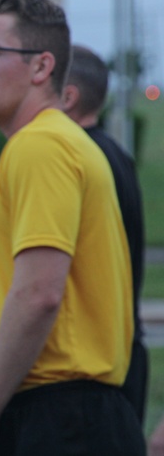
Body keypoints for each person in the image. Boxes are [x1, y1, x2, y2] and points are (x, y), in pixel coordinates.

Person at [0, 0, 144, 456]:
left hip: (61, 418)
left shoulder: (41, 147)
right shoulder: (63, 141)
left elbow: (39, 294)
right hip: (77, 413)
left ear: (41, 68)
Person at [61, 44, 148, 424]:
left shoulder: (77, 160)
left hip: (93, 367)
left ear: (67, 97)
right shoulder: (116, 155)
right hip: (124, 349)